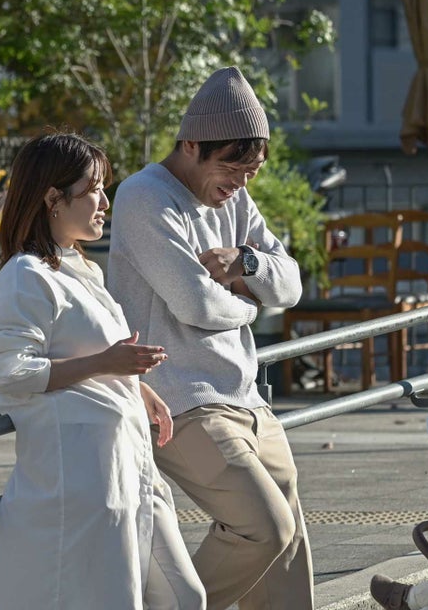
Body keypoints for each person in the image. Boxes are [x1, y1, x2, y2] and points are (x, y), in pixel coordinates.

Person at [108, 67, 313, 610]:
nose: (240, 182)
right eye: (231, 167)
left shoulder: (235, 200)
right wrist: (251, 305)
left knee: (288, 541)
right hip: (181, 400)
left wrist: (246, 262)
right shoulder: (145, 196)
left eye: (251, 171)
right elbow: (195, 305)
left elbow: (291, 285)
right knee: (264, 528)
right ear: (191, 145)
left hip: (246, 396)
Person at [0, 128, 206, 610]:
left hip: (126, 467)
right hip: (82, 478)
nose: (104, 202)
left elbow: (90, 354)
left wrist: (136, 386)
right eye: (93, 190)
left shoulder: (80, 269)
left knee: (186, 596)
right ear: (52, 199)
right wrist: (106, 363)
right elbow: (7, 373)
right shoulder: (25, 275)